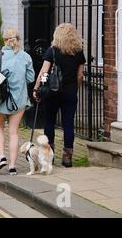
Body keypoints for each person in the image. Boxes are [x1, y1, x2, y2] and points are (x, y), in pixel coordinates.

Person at [33, 23, 85, 167]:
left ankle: (49, 156)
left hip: (52, 93)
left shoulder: (52, 51)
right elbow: (80, 75)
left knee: (49, 122)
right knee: (68, 124)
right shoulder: (79, 52)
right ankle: (67, 158)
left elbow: (44, 72)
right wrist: (75, 88)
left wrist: (37, 88)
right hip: (70, 93)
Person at [0, 28, 35, 175]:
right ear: (18, 40)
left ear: (4, 40)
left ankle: (2, 156)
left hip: (0, 99)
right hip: (18, 100)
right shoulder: (25, 57)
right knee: (14, 132)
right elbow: (31, 78)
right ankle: (12, 166)